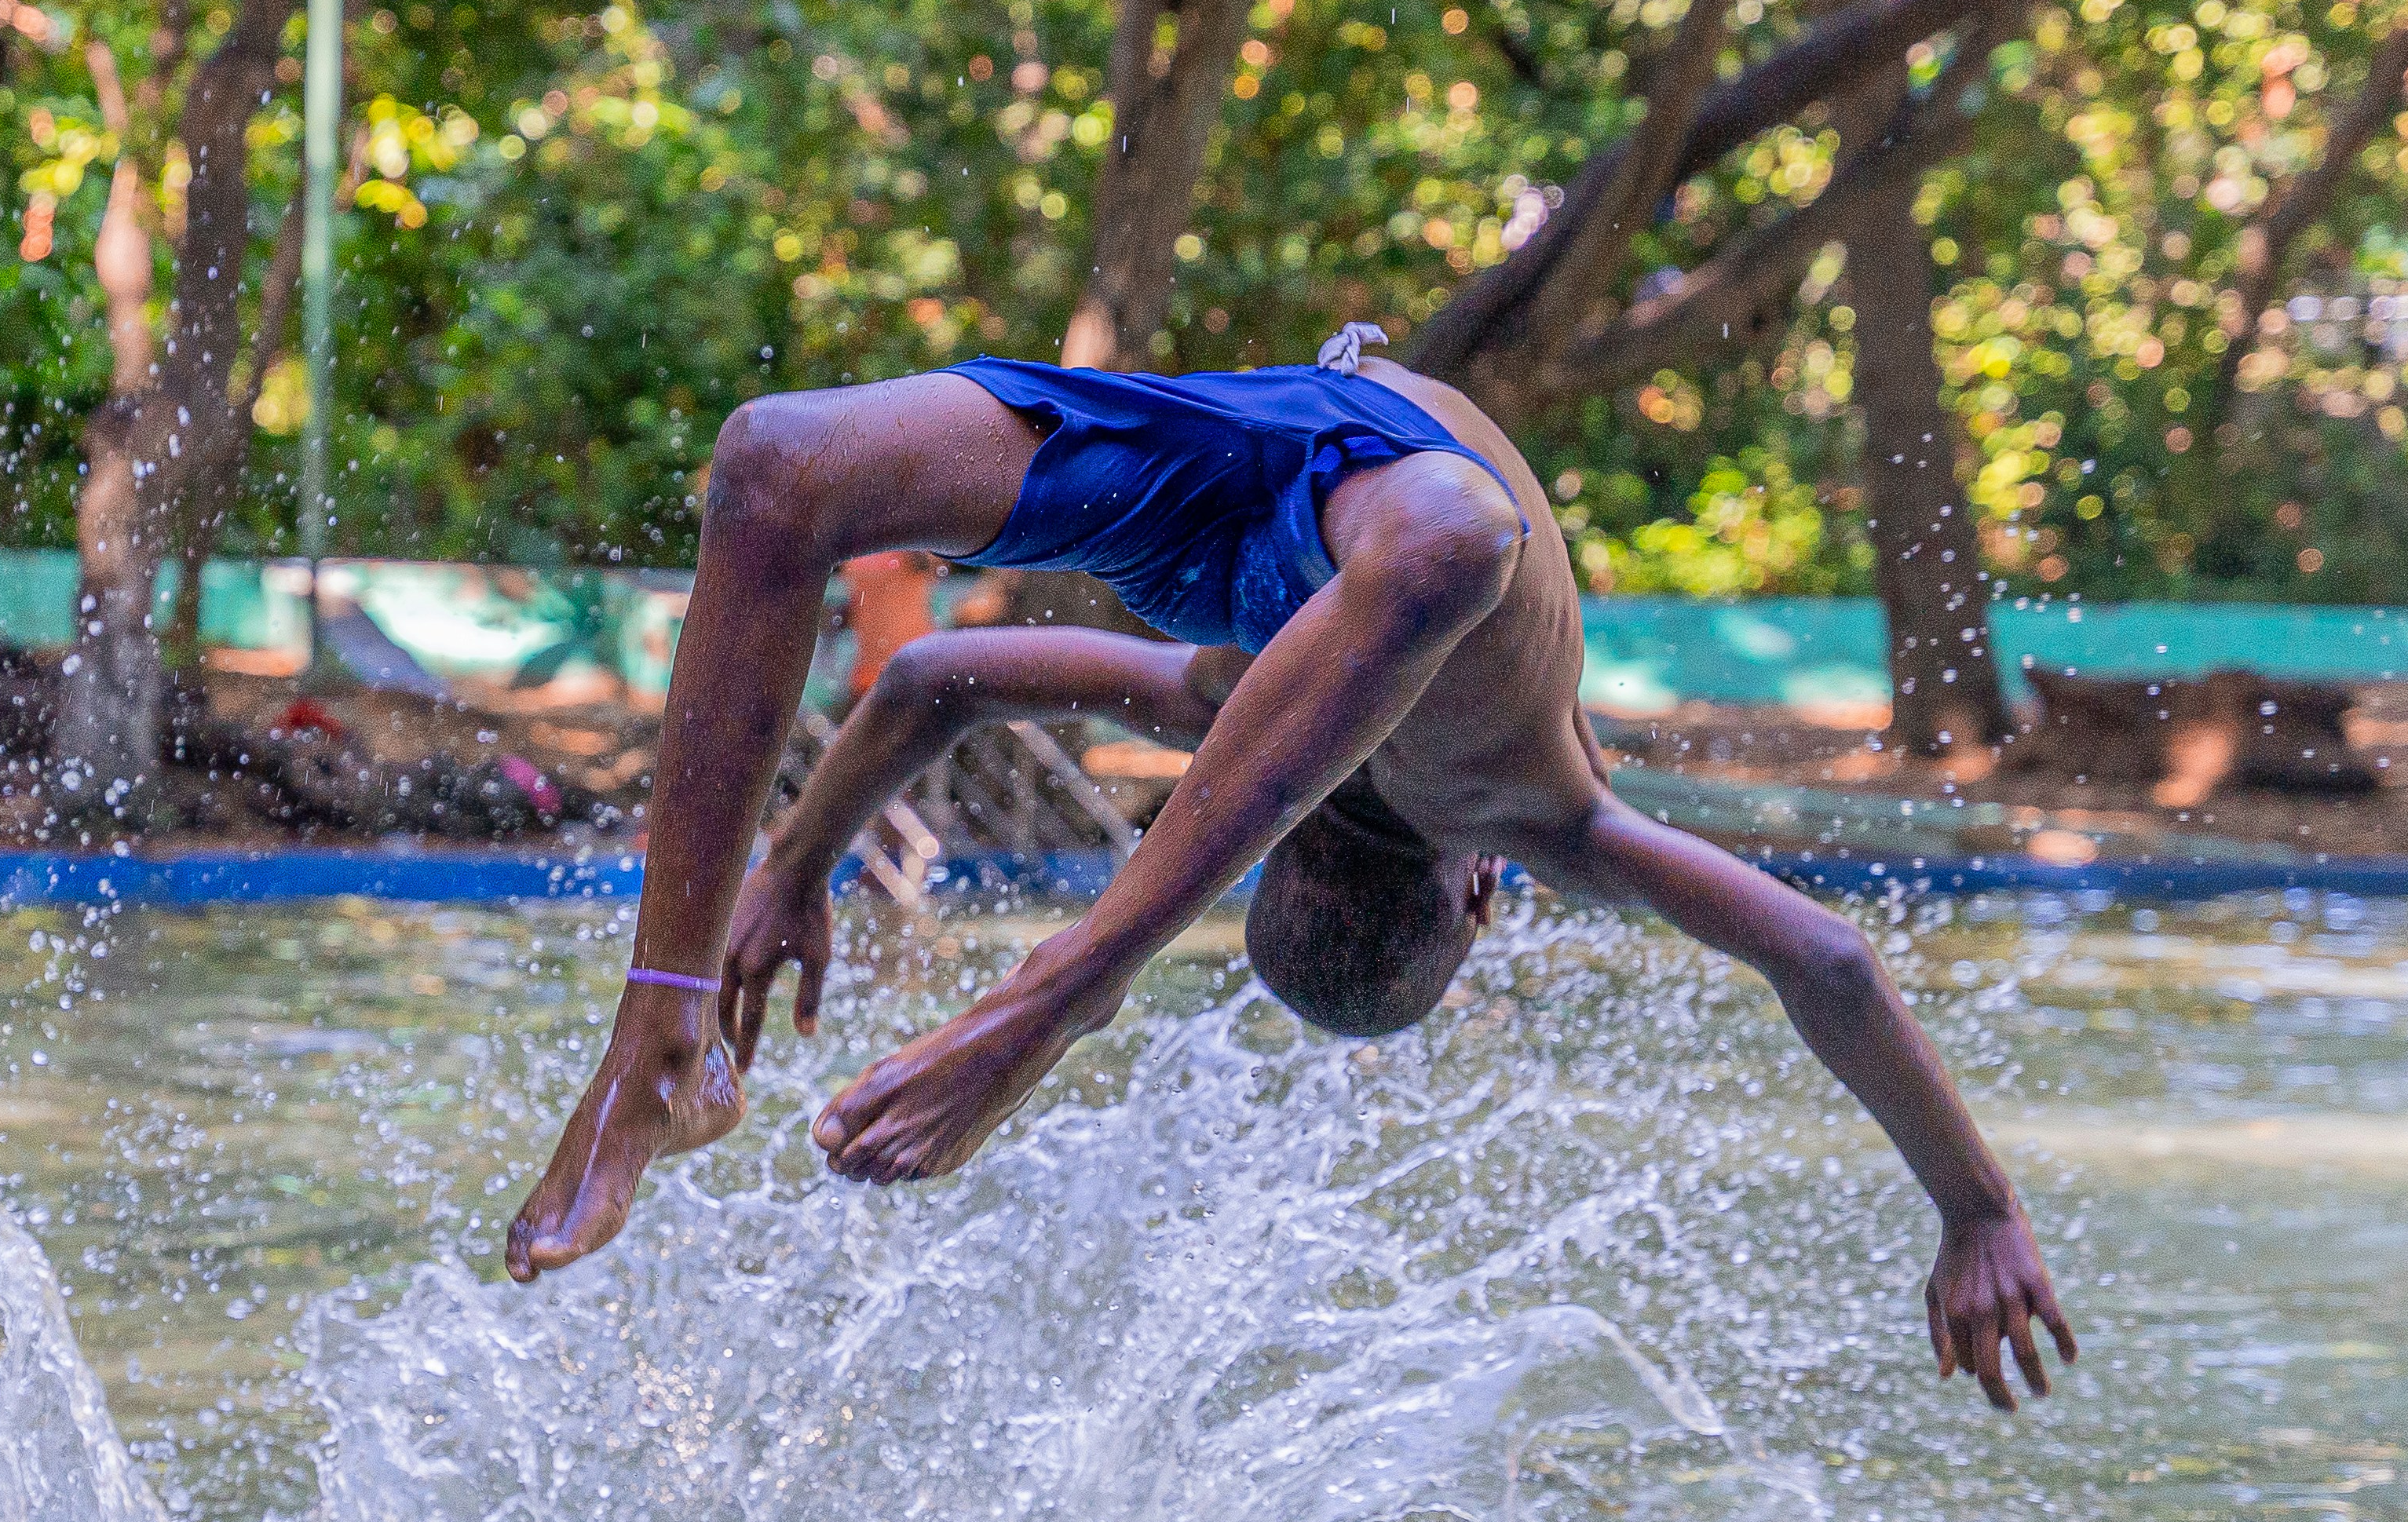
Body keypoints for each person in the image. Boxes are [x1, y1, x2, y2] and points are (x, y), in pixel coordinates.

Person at [502, 330, 2077, 1411]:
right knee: (776, 463)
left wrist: (798, 861)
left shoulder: (1426, 772)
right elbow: (1832, 967)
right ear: (1470, 892)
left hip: (1288, 487)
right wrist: (1974, 1203)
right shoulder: (1518, 802)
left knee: (781, 461)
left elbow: (929, 689)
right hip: (1299, 484)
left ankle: (673, 1003)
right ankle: (807, 1013)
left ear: (1466, 898)